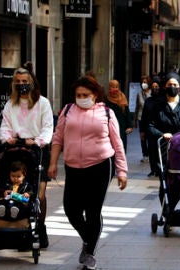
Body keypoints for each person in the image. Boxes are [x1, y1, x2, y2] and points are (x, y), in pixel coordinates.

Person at [48, 75, 128, 270]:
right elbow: (58, 138)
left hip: (100, 165)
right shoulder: (67, 111)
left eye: (86, 94)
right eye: (78, 95)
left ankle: (90, 253)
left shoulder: (106, 113)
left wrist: (122, 171)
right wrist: (52, 163)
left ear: (95, 95)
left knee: (93, 211)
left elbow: (117, 143)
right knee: (71, 209)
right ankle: (88, 238)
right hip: (73, 167)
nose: (81, 97)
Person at [0, 62, 53, 248]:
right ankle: (18, 226)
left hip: (37, 150)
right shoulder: (10, 105)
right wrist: (7, 138)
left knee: (39, 192)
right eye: (18, 81)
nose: (22, 84)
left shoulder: (43, 103)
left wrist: (37, 141)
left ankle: (40, 226)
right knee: (17, 189)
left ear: (31, 82)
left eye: (24, 81)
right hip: (16, 150)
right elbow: (5, 126)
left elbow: (47, 127)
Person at [147, 73, 180, 208]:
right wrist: (162, 134)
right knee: (165, 180)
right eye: (169, 85)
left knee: (178, 181)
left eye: (175, 85)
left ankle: (170, 208)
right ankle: (166, 210)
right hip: (164, 150)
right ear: (165, 86)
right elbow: (150, 126)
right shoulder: (158, 105)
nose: (172, 87)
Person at [141, 81, 163, 177]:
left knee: (160, 150)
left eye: (157, 86)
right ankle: (153, 169)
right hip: (149, 129)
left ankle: (160, 169)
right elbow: (144, 116)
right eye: (153, 86)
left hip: (161, 129)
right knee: (151, 150)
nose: (155, 88)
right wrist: (142, 131)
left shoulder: (163, 100)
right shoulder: (148, 101)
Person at [105, 79, 133, 152]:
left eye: (116, 86)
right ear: (109, 88)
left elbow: (127, 113)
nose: (114, 89)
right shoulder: (105, 99)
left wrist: (130, 126)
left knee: (121, 150)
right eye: (112, 87)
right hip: (109, 128)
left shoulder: (122, 97)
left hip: (121, 128)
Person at [135, 75, 151, 162]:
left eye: (145, 82)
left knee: (150, 137)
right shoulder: (139, 94)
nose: (143, 84)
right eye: (142, 82)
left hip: (150, 118)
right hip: (141, 118)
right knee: (142, 137)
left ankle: (150, 154)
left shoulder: (152, 93)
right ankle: (145, 155)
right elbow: (137, 107)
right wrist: (134, 121)